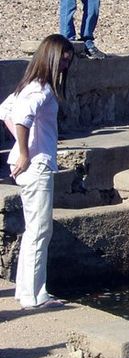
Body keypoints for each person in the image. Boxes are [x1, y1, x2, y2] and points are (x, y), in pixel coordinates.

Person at [0, 34, 74, 309]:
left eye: (68, 61)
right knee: (40, 230)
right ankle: (34, 295)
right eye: (63, 60)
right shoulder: (40, 90)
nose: (65, 66)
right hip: (36, 165)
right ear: (51, 58)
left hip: (31, 163)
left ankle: (27, 291)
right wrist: (25, 151)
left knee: (36, 230)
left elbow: (6, 110)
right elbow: (20, 119)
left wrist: (25, 145)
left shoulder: (28, 86)